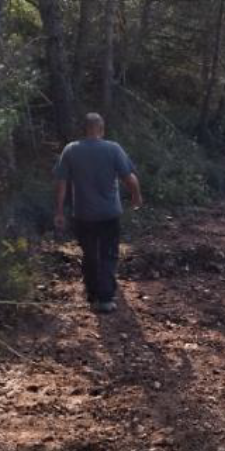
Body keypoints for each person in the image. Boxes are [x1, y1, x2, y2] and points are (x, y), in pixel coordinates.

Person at [54, 112, 142, 314]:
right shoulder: (113, 148)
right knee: (108, 254)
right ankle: (105, 298)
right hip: (109, 213)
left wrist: (59, 211)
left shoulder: (71, 150)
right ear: (101, 130)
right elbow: (129, 178)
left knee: (90, 254)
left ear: (84, 130)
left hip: (83, 214)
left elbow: (61, 184)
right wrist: (136, 197)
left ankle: (93, 294)